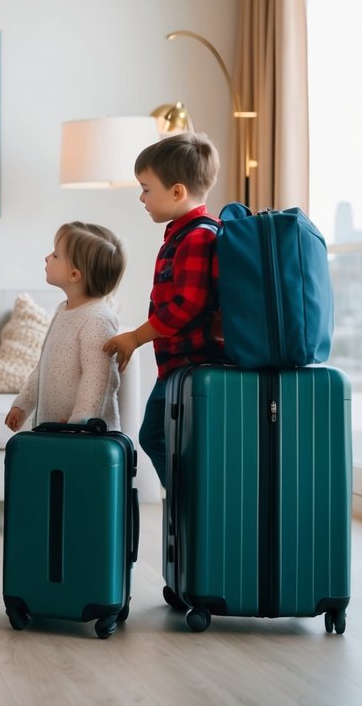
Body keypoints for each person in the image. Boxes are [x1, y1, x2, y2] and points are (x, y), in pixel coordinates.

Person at [103, 132, 224, 489]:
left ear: (177, 192)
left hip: (192, 364)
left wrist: (136, 337)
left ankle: (193, 504)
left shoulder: (198, 238)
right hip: (177, 366)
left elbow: (187, 305)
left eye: (146, 188)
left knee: (156, 435)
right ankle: (189, 506)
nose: (141, 197)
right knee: (162, 438)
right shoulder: (181, 235)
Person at [4, 222, 126, 433]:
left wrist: (79, 424)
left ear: (74, 275)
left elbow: (96, 380)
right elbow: (45, 367)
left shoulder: (97, 319)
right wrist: (22, 404)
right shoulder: (64, 310)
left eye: (56, 255)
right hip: (55, 431)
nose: (47, 258)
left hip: (86, 439)